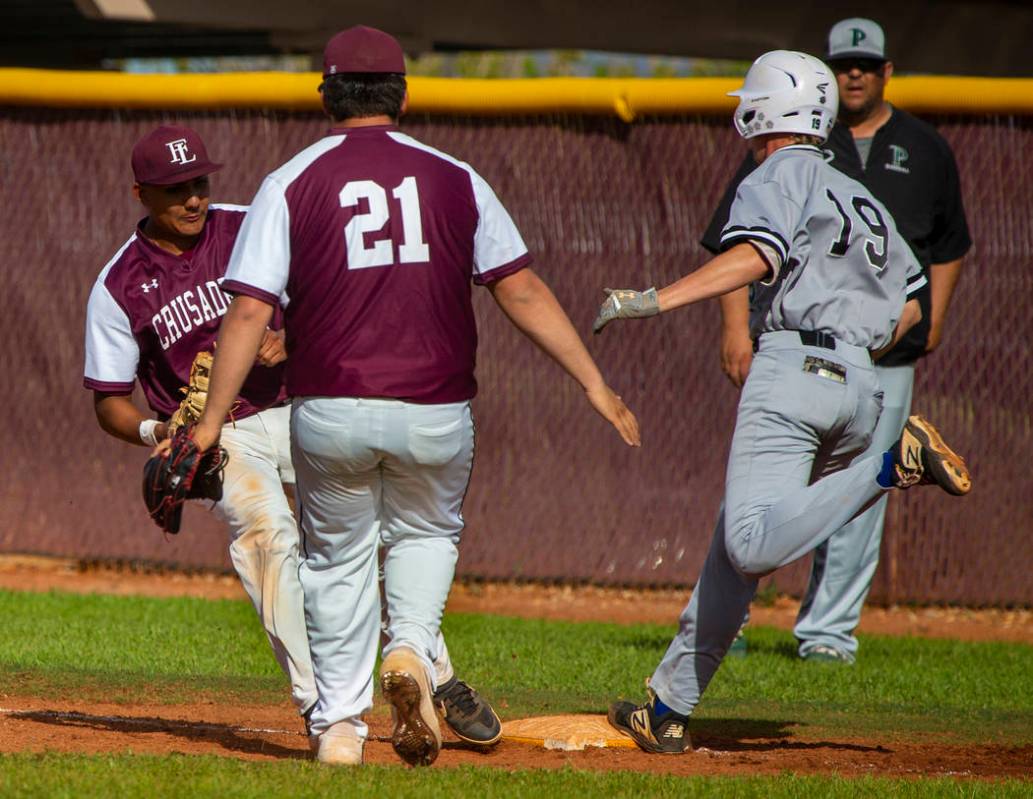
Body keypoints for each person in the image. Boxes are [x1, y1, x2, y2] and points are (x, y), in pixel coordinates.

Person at [189, 25, 640, 768]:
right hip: (435, 408)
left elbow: (246, 311)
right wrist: (594, 382)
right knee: (425, 535)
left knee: (336, 560)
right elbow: (518, 287)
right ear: (401, 92)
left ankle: (338, 726)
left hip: (329, 404)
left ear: (327, 93)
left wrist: (210, 423)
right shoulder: (454, 175)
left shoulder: (291, 179)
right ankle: (407, 648)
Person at [83, 124, 504, 758]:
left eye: (199, 182)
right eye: (175, 190)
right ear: (142, 193)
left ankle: (429, 672)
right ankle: (326, 710)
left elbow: (339, 293)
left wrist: (297, 336)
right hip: (218, 436)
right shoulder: (119, 284)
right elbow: (108, 401)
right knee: (267, 536)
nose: (194, 199)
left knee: (369, 534)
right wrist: (158, 429)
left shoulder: (248, 222)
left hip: (297, 408)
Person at [594, 50, 970, 754]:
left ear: (763, 110)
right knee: (733, 551)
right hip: (861, 380)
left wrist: (652, 300)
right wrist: (851, 343)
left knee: (748, 540)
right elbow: (912, 311)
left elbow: (754, 256)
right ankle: (667, 707)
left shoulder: (775, 171)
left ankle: (893, 466)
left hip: (794, 367)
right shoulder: (858, 194)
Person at [701, 18, 972, 664]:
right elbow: (737, 247)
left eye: (865, 63)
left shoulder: (924, 148)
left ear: (885, 72)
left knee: (852, 498)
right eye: (842, 63)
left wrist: (929, 315)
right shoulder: (788, 148)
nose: (853, 72)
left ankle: (825, 634)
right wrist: (735, 327)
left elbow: (949, 243)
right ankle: (729, 620)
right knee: (763, 490)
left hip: (885, 352)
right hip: (795, 345)